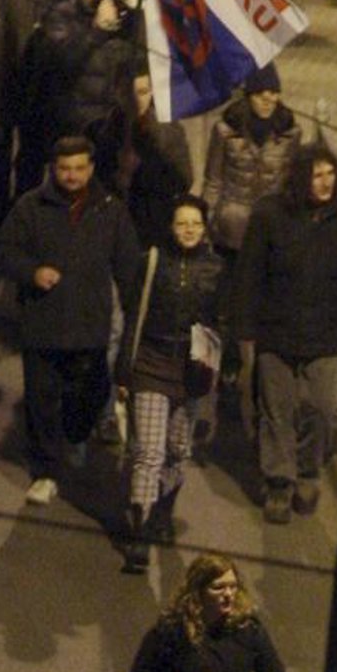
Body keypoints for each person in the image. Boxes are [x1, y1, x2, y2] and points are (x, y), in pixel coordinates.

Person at [0, 127, 144, 506]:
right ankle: (45, 471)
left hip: (90, 327)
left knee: (89, 394)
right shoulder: (31, 206)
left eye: (78, 168)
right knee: (41, 402)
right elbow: (4, 251)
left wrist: (136, 313)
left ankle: (76, 435)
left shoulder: (110, 210)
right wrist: (32, 272)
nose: (72, 176)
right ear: (53, 169)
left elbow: (128, 266)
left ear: (90, 168)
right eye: (64, 168)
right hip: (42, 324)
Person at [232, 137, 337, 522]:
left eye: (330, 174)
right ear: (300, 178)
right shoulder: (270, 214)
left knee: (321, 409)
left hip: (326, 329)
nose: (326, 182)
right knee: (277, 410)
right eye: (317, 175)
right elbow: (249, 272)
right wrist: (244, 325)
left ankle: (308, 470)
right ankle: (279, 481)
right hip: (277, 328)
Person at [117, 188, 225, 567]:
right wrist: (123, 371)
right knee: (148, 451)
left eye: (195, 223)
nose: (189, 229)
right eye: (182, 223)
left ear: (205, 228)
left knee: (178, 450)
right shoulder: (150, 262)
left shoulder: (217, 269)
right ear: (171, 227)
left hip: (192, 370)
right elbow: (133, 315)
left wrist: (219, 372)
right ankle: (141, 532)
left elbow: (221, 324)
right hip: (151, 363)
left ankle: (163, 509)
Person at [127, 554, 295, 672]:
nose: (228, 594)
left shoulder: (248, 628)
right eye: (218, 587)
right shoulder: (172, 629)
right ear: (198, 591)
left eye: (233, 587)